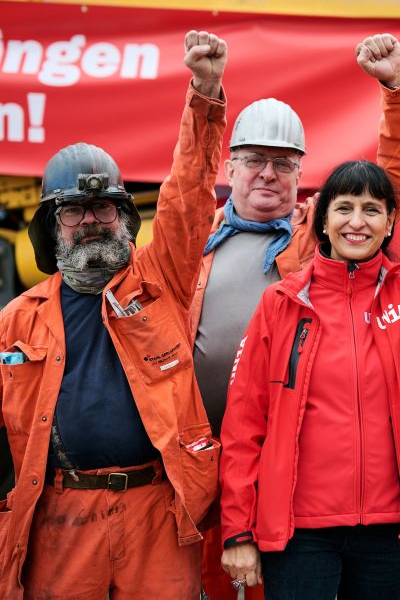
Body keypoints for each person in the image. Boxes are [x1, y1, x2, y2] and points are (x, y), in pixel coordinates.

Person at [191, 33, 400, 598]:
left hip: (284, 457)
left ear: (300, 170)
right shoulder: (196, 242)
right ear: (232, 165)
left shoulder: (315, 239)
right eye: (255, 161)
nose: (267, 175)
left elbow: (391, 187)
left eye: (282, 164)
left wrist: (399, 91)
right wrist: (203, 91)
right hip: (202, 452)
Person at [0, 30, 227, 599]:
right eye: (73, 211)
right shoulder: (17, 320)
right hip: (59, 513)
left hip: (158, 508)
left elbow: (188, 195)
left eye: (103, 207)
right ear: (52, 229)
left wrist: (204, 90)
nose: (90, 221)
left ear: (124, 217)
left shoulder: (162, 280)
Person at [217, 159, 400, 598]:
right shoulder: (281, 302)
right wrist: (237, 530)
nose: (357, 221)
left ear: (389, 223)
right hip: (299, 531)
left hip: (388, 530)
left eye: (371, 209)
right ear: (324, 221)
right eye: (344, 208)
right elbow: (243, 423)